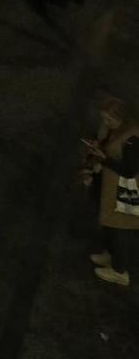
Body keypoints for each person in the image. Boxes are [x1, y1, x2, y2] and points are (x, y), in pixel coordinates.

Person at [83, 96, 139, 287]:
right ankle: (111, 256)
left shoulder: (132, 139)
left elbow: (130, 171)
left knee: (119, 229)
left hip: (122, 191)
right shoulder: (115, 130)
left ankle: (120, 271)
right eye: (104, 119)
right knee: (109, 224)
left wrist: (103, 158)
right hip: (108, 186)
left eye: (109, 120)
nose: (106, 123)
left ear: (121, 118)